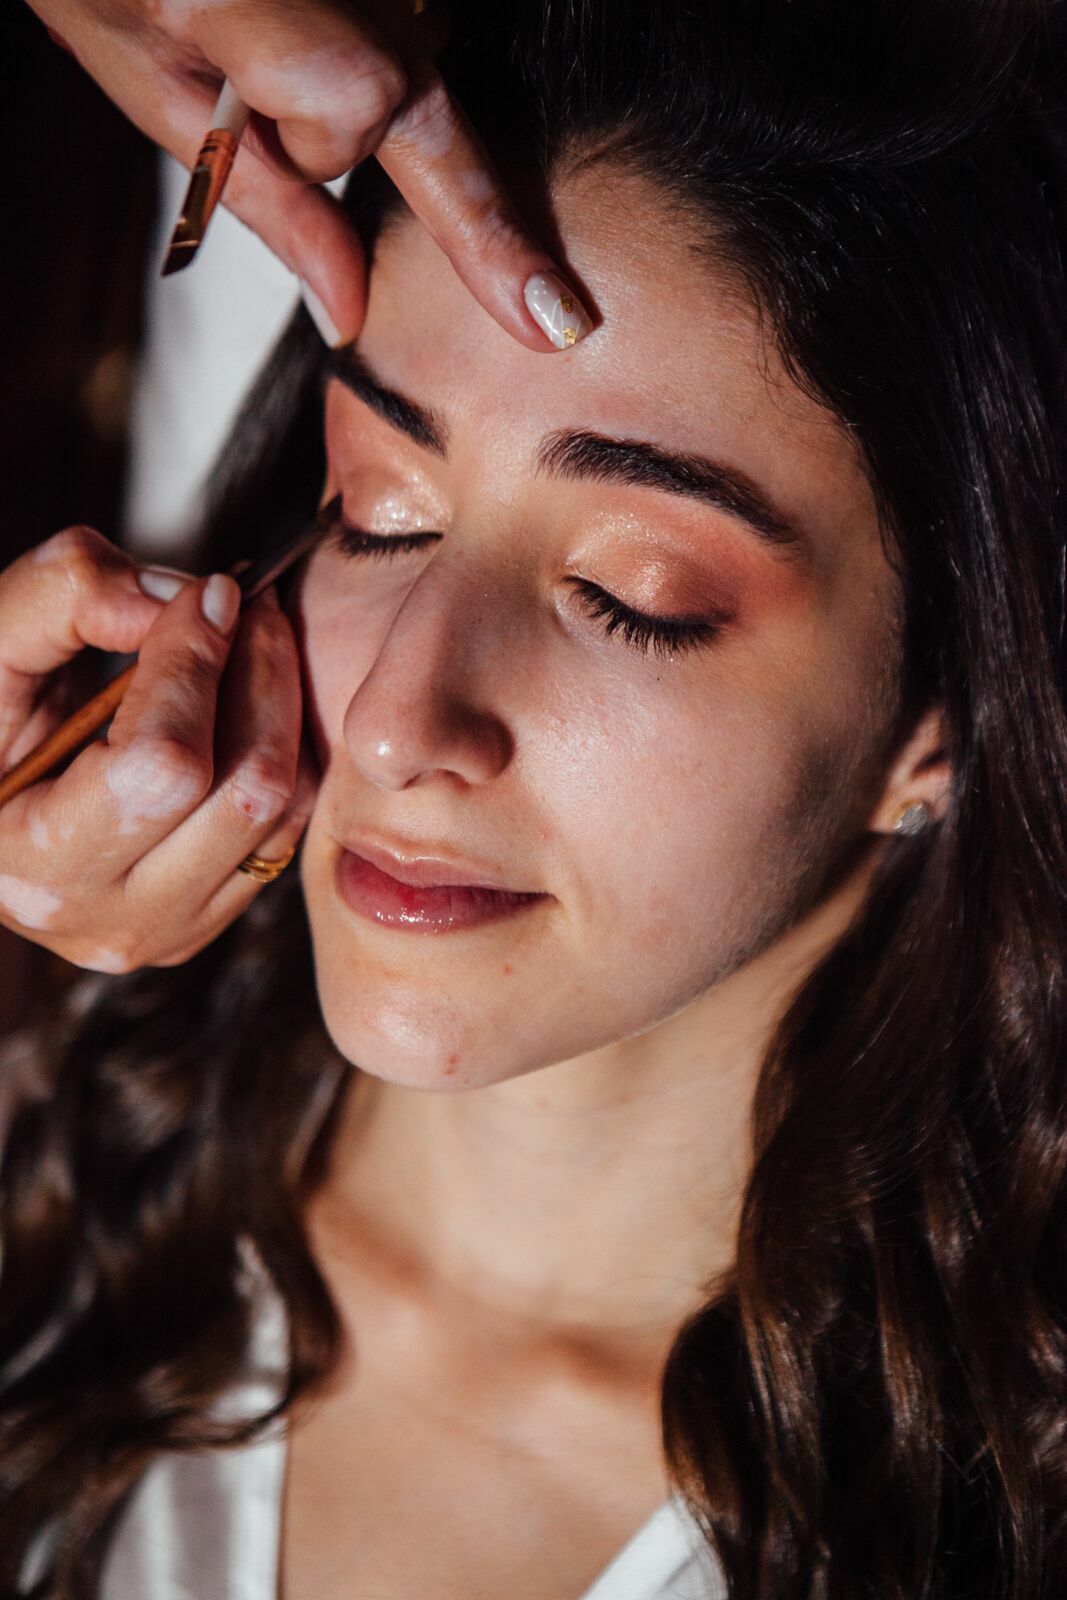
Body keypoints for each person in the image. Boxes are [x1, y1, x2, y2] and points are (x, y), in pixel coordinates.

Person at [1, 0, 1066, 1596]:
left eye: (632, 595)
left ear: (942, 716)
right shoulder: (43, 1180)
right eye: (380, 510)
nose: (406, 725)